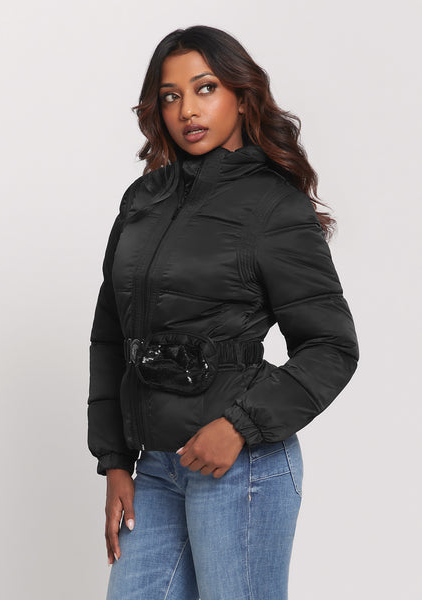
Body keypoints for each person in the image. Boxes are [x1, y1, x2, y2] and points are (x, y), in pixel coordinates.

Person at [87, 25, 359, 600]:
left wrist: (239, 426)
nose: (187, 109)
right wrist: (115, 461)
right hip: (156, 468)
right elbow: (111, 336)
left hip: (241, 467)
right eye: (170, 95)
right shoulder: (142, 201)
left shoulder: (273, 204)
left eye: (205, 88)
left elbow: (332, 347)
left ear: (241, 94)